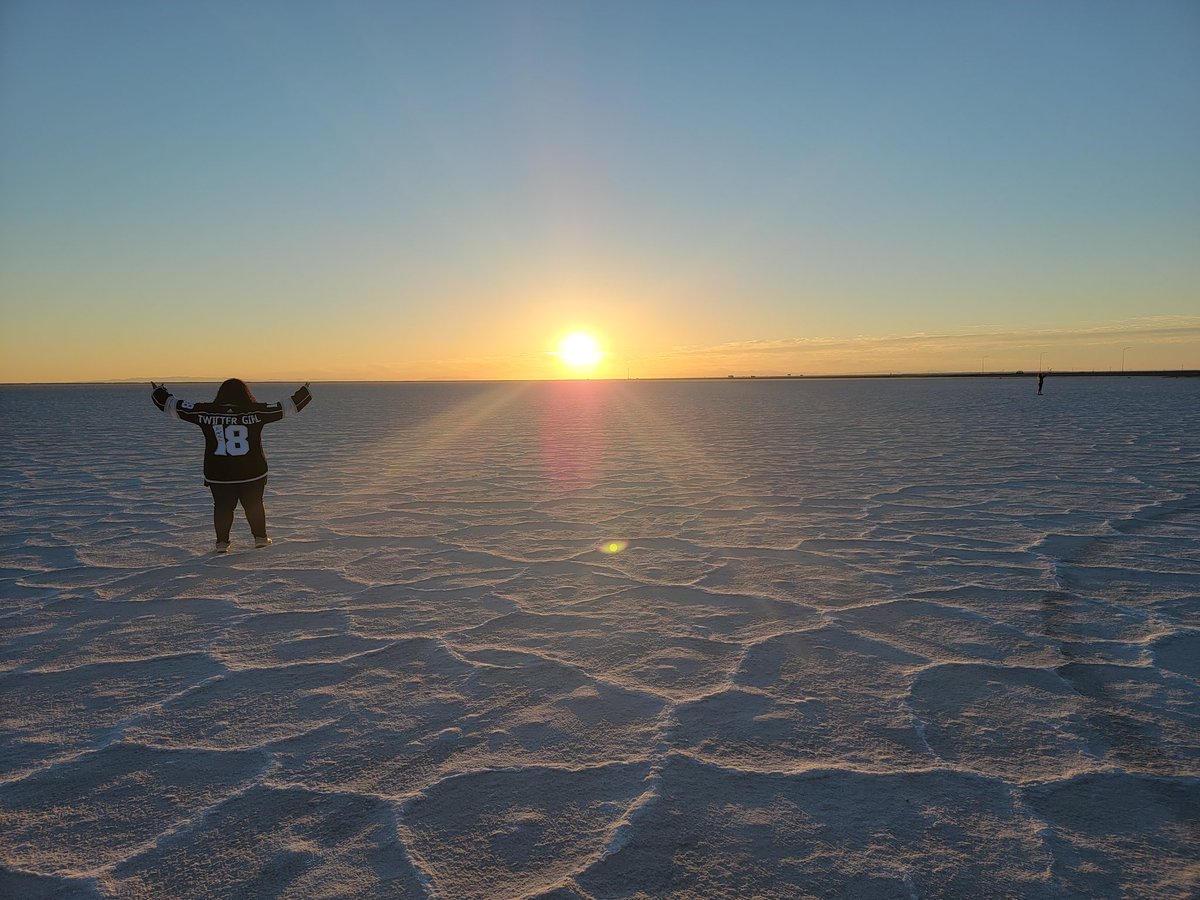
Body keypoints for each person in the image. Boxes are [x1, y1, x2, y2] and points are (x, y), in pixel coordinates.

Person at [151, 379, 313, 552]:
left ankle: (222, 543)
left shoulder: (206, 411)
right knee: (254, 505)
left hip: (218, 473)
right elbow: (286, 407)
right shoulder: (256, 411)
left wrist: (159, 391)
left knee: (222, 507)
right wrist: (304, 390)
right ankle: (260, 538)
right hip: (252, 472)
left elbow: (175, 406)